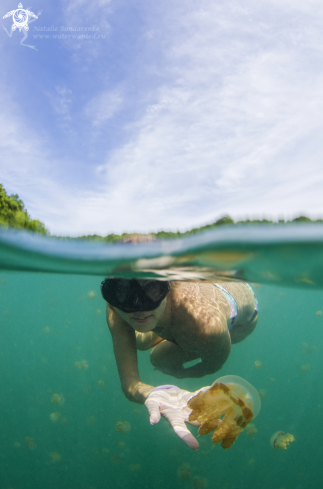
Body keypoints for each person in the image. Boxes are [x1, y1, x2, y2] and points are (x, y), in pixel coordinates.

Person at [101, 279, 258, 450]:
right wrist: (152, 393)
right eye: (123, 290)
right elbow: (130, 383)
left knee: (160, 359)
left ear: (168, 287)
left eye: (152, 288)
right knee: (140, 342)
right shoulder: (116, 305)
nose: (138, 306)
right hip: (178, 312)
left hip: (238, 322)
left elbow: (212, 365)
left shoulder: (206, 327)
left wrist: (181, 374)